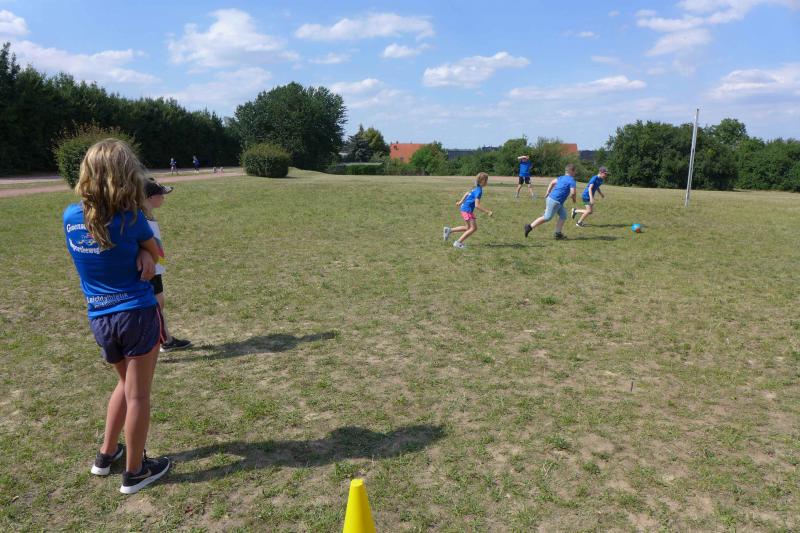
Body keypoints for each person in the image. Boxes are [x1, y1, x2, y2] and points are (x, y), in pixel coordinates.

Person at [64, 139, 170, 495]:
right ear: (127, 175)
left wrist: (141, 252)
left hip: (100, 317)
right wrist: (146, 253)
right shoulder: (132, 218)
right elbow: (159, 252)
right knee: (138, 395)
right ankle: (135, 472)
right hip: (136, 314)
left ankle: (106, 455)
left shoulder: (70, 217)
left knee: (125, 385)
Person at [143, 179, 192, 352]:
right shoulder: (141, 219)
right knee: (156, 303)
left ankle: (165, 339)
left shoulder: (147, 216)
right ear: (149, 197)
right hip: (150, 270)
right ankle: (162, 341)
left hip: (155, 268)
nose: (164, 198)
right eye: (161, 195)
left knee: (158, 302)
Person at [524, 163, 577, 240]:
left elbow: (552, 182)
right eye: (575, 171)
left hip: (554, 200)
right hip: (555, 201)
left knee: (563, 215)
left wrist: (548, 192)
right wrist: (574, 199)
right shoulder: (572, 180)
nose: (575, 173)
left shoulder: (561, 177)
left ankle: (558, 234)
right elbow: (573, 193)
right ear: (571, 171)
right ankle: (529, 227)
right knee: (547, 217)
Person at [443, 172, 493, 249]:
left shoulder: (475, 188)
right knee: (473, 228)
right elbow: (477, 205)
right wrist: (488, 212)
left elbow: (467, 194)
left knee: (468, 227)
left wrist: (460, 202)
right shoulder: (479, 191)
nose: (487, 182)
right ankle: (458, 243)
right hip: (467, 210)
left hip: (464, 208)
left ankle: (449, 230)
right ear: (482, 181)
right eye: (486, 180)